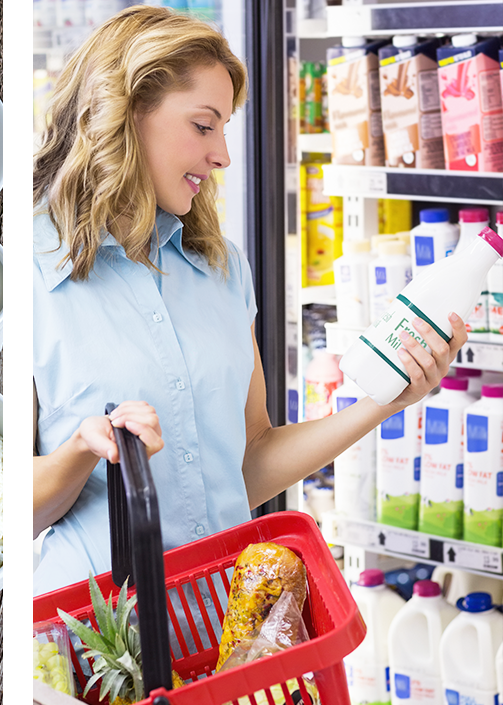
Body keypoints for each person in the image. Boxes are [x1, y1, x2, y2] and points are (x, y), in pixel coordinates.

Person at [32, 6, 466, 597]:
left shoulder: (221, 267)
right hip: (93, 641)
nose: (223, 157)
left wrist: (385, 400)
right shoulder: (28, 270)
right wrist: (84, 448)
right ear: (126, 114)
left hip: (228, 628)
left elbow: (249, 460)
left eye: (224, 130)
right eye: (203, 126)